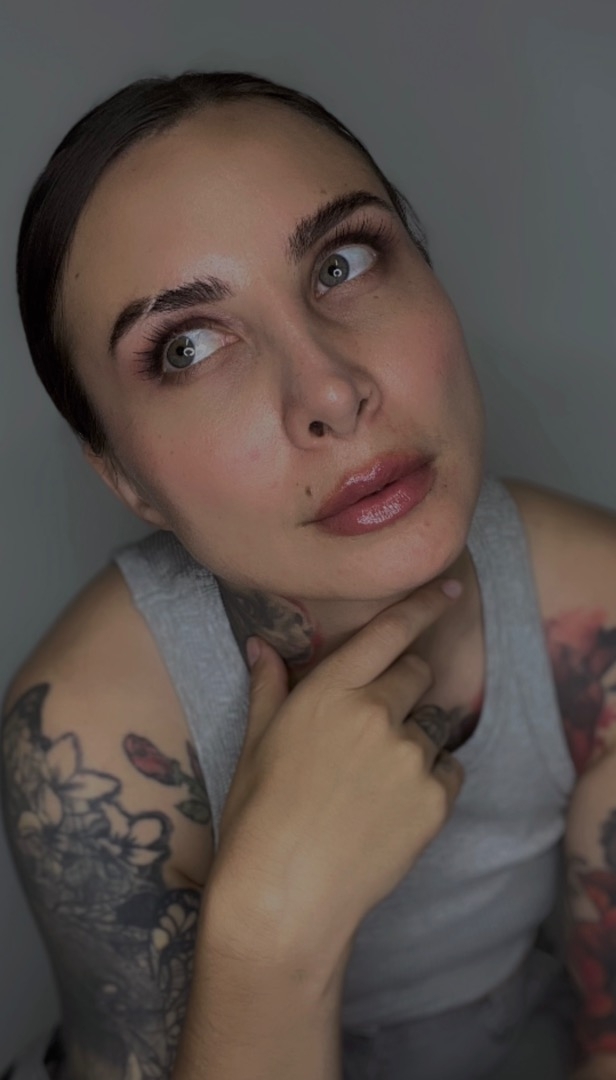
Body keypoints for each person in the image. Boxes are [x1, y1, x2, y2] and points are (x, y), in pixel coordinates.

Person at [2, 70, 615, 1080]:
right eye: (187, 347)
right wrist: (269, 928)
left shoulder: (596, 612)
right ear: (124, 478)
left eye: (343, 262)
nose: (330, 391)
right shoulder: (86, 736)